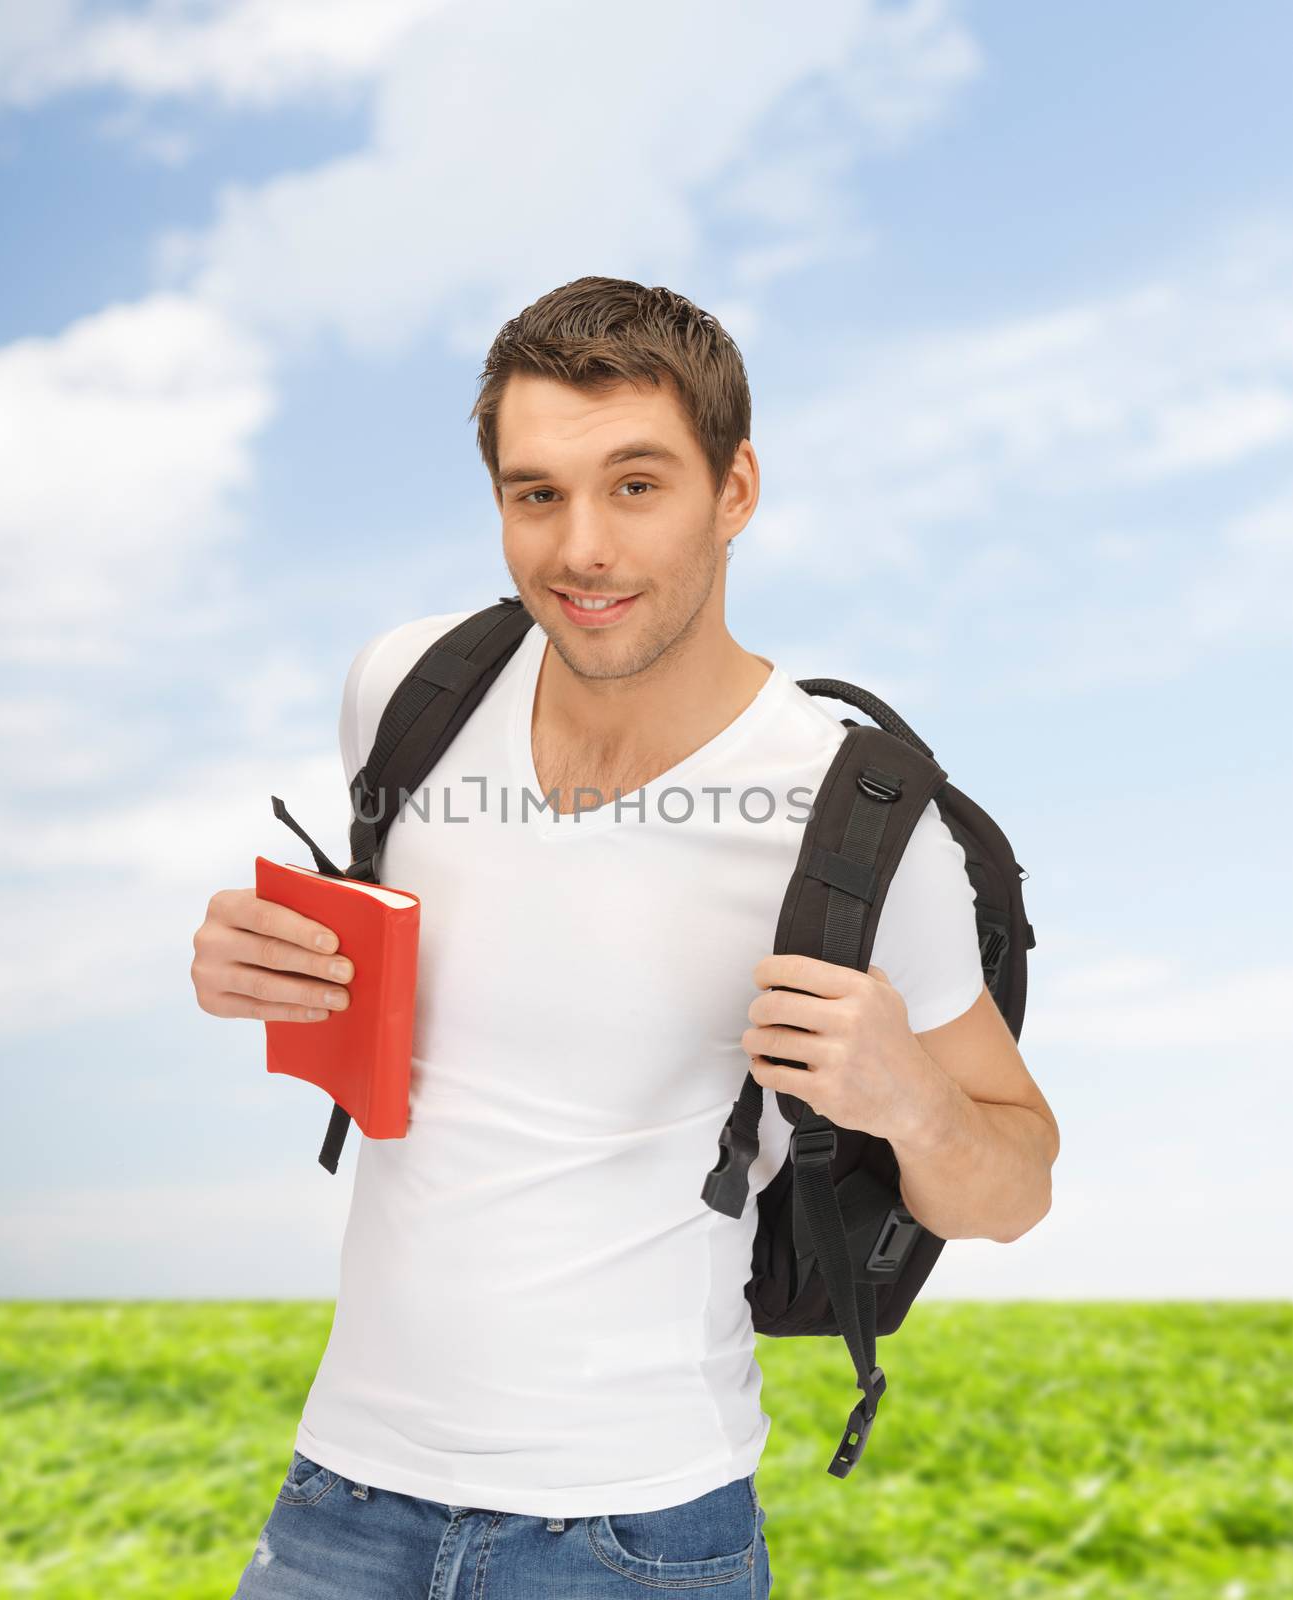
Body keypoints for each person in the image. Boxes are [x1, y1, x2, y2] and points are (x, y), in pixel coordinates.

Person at [190, 277, 1060, 1597]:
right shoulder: (410, 691)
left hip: (630, 1537)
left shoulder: (859, 825)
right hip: (340, 1499)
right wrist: (253, 965)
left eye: (635, 486)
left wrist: (911, 1099)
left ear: (735, 491)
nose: (579, 547)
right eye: (536, 493)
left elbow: (1015, 1184)